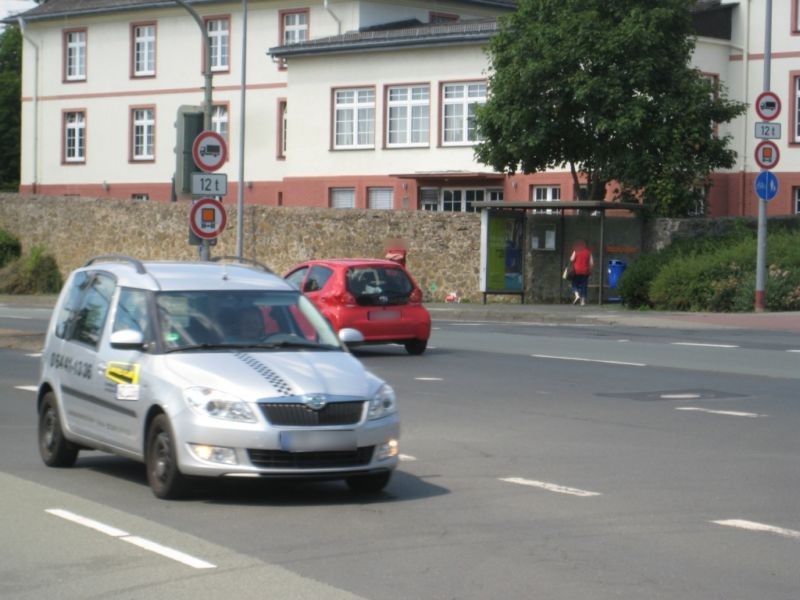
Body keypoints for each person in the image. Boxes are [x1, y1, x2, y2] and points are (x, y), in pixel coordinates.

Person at [569, 239, 594, 306]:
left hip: (576, 271)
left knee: (574, 284)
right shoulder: (588, 252)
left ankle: (577, 296)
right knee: (584, 286)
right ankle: (583, 302)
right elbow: (591, 263)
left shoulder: (576, 251)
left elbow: (571, 259)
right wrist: (590, 270)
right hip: (585, 272)